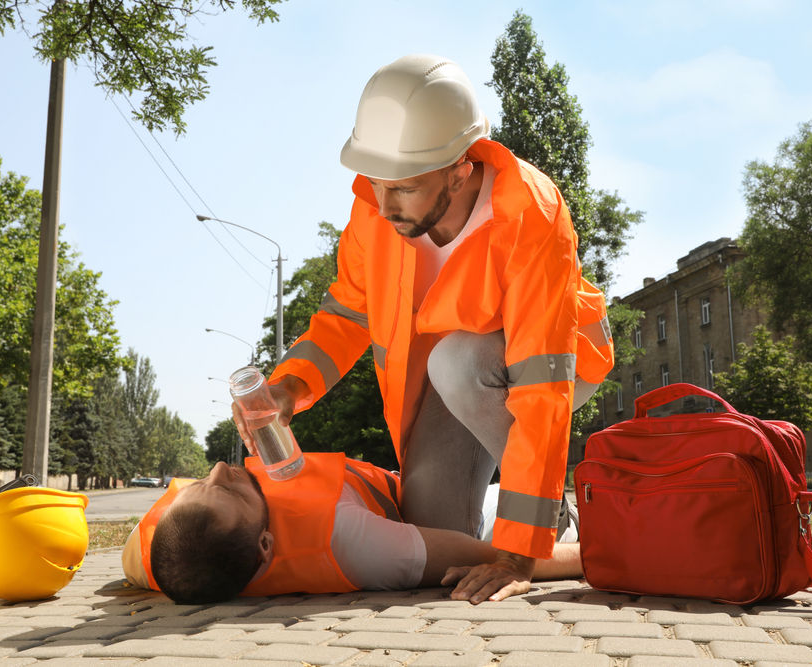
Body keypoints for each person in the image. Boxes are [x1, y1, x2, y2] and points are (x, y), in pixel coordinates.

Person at [232, 54, 614, 602]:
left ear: (459, 169)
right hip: (456, 376)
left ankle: (551, 524)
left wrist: (518, 555)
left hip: (560, 366)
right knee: (433, 527)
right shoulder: (376, 208)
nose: (382, 205)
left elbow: (540, 384)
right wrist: (290, 385)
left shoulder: (531, 211)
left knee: (455, 363)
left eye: (403, 188)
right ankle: (514, 514)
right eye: (374, 181)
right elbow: (347, 312)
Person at [121, 455, 581, 604]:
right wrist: (595, 558)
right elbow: (494, 555)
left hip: (417, 485)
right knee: (524, 511)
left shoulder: (158, 556)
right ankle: (574, 516)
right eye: (232, 490)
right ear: (265, 545)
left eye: (202, 483)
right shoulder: (352, 543)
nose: (220, 467)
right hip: (473, 511)